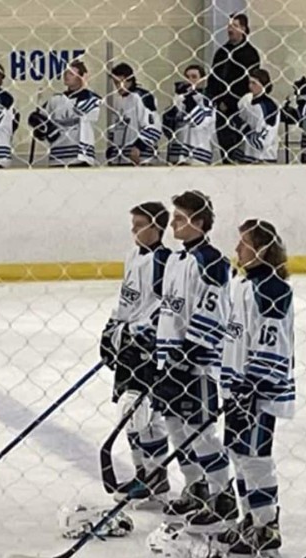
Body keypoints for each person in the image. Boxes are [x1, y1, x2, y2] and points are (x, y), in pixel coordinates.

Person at [153, 190, 232, 530]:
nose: (172, 223)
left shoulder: (212, 261)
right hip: (169, 359)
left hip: (197, 363)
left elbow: (215, 308)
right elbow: (169, 307)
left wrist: (191, 350)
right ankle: (195, 484)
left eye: (180, 218)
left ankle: (222, 493)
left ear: (198, 223)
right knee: (175, 425)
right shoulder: (176, 259)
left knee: (201, 431)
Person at [217, 220, 295, 558]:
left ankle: (266, 528)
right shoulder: (244, 284)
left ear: (261, 249)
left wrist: (256, 383)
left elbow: (273, 340)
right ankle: (250, 517)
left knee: (255, 457)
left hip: (259, 392)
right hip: (238, 387)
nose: (237, 250)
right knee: (238, 452)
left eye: (244, 244)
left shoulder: (273, 289)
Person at [100, 202, 171, 503]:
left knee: (143, 413)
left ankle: (155, 476)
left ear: (157, 227)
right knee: (128, 413)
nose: (134, 230)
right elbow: (126, 300)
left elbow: (167, 305)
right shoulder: (132, 256)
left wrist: (141, 334)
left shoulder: (165, 261)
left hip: (147, 349)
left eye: (140, 224)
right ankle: (144, 472)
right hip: (126, 344)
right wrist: (111, 330)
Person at [207, 14, 261, 164]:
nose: (230, 29)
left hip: (239, 108)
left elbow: (249, 84)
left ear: (243, 29)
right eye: (229, 26)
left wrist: (230, 102)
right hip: (220, 108)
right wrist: (216, 99)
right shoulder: (222, 52)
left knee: (239, 148)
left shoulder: (250, 54)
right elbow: (214, 77)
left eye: (234, 26)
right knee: (225, 147)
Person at [28, 59, 100, 167]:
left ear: (81, 76)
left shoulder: (91, 98)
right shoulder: (55, 99)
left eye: (71, 73)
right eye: (66, 73)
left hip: (79, 157)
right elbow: (41, 121)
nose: (66, 76)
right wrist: (38, 125)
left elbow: (82, 112)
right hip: (57, 156)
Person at [107, 63, 161, 166]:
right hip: (121, 160)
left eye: (122, 82)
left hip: (140, 159)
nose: (119, 86)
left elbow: (154, 127)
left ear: (130, 79)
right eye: (116, 83)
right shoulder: (118, 101)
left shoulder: (142, 97)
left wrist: (138, 147)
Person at [163, 65, 214, 165]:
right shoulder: (179, 98)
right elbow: (168, 127)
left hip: (197, 155)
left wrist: (188, 99)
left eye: (194, 77)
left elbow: (199, 121)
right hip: (177, 154)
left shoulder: (207, 100)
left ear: (202, 80)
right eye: (187, 77)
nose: (190, 80)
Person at [235, 68, 280, 164]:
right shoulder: (246, 100)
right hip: (247, 154)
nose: (250, 86)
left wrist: (245, 130)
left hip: (263, 157)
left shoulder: (268, 106)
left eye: (254, 83)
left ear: (263, 84)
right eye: (249, 83)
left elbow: (266, 136)